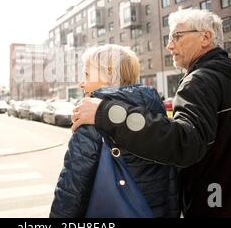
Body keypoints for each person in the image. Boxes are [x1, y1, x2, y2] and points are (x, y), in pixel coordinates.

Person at [71, 8, 231, 217]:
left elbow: (184, 142)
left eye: (176, 36)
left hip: (223, 206)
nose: (169, 46)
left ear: (205, 37)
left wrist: (105, 113)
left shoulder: (201, 80)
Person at [50, 44, 179, 218]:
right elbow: (170, 178)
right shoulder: (154, 111)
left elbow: (72, 190)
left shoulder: (93, 117)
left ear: (109, 74)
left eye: (87, 74)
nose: (81, 83)